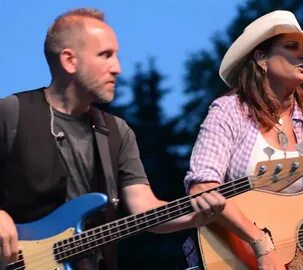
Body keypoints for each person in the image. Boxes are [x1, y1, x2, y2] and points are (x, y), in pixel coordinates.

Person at [0, 8, 225, 270]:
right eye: (105, 55)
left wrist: (194, 215)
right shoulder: (11, 113)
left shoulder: (118, 131)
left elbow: (144, 208)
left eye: (116, 56)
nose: (117, 68)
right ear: (69, 60)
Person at [182, 10, 303, 269]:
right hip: (234, 259)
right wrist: (260, 243)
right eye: (291, 46)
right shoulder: (229, 111)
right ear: (261, 58)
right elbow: (203, 188)